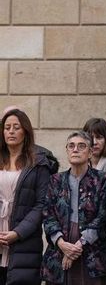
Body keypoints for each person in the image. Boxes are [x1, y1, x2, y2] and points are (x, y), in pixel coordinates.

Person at [41, 131, 106, 285]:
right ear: (67, 150)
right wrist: (62, 244)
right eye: (71, 146)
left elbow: (104, 215)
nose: (75, 149)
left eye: (81, 146)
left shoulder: (102, 179)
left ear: (90, 152)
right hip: (59, 250)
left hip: (92, 252)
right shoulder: (56, 180)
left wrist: (77, 246)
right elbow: (48, 214)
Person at [0, 109, 57, 284]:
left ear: (25, 131)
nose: (11, 131)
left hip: (24, 239)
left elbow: (42, 204)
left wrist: (18, 232)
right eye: (7, 127)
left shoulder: (38, 162)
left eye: (16, 127)